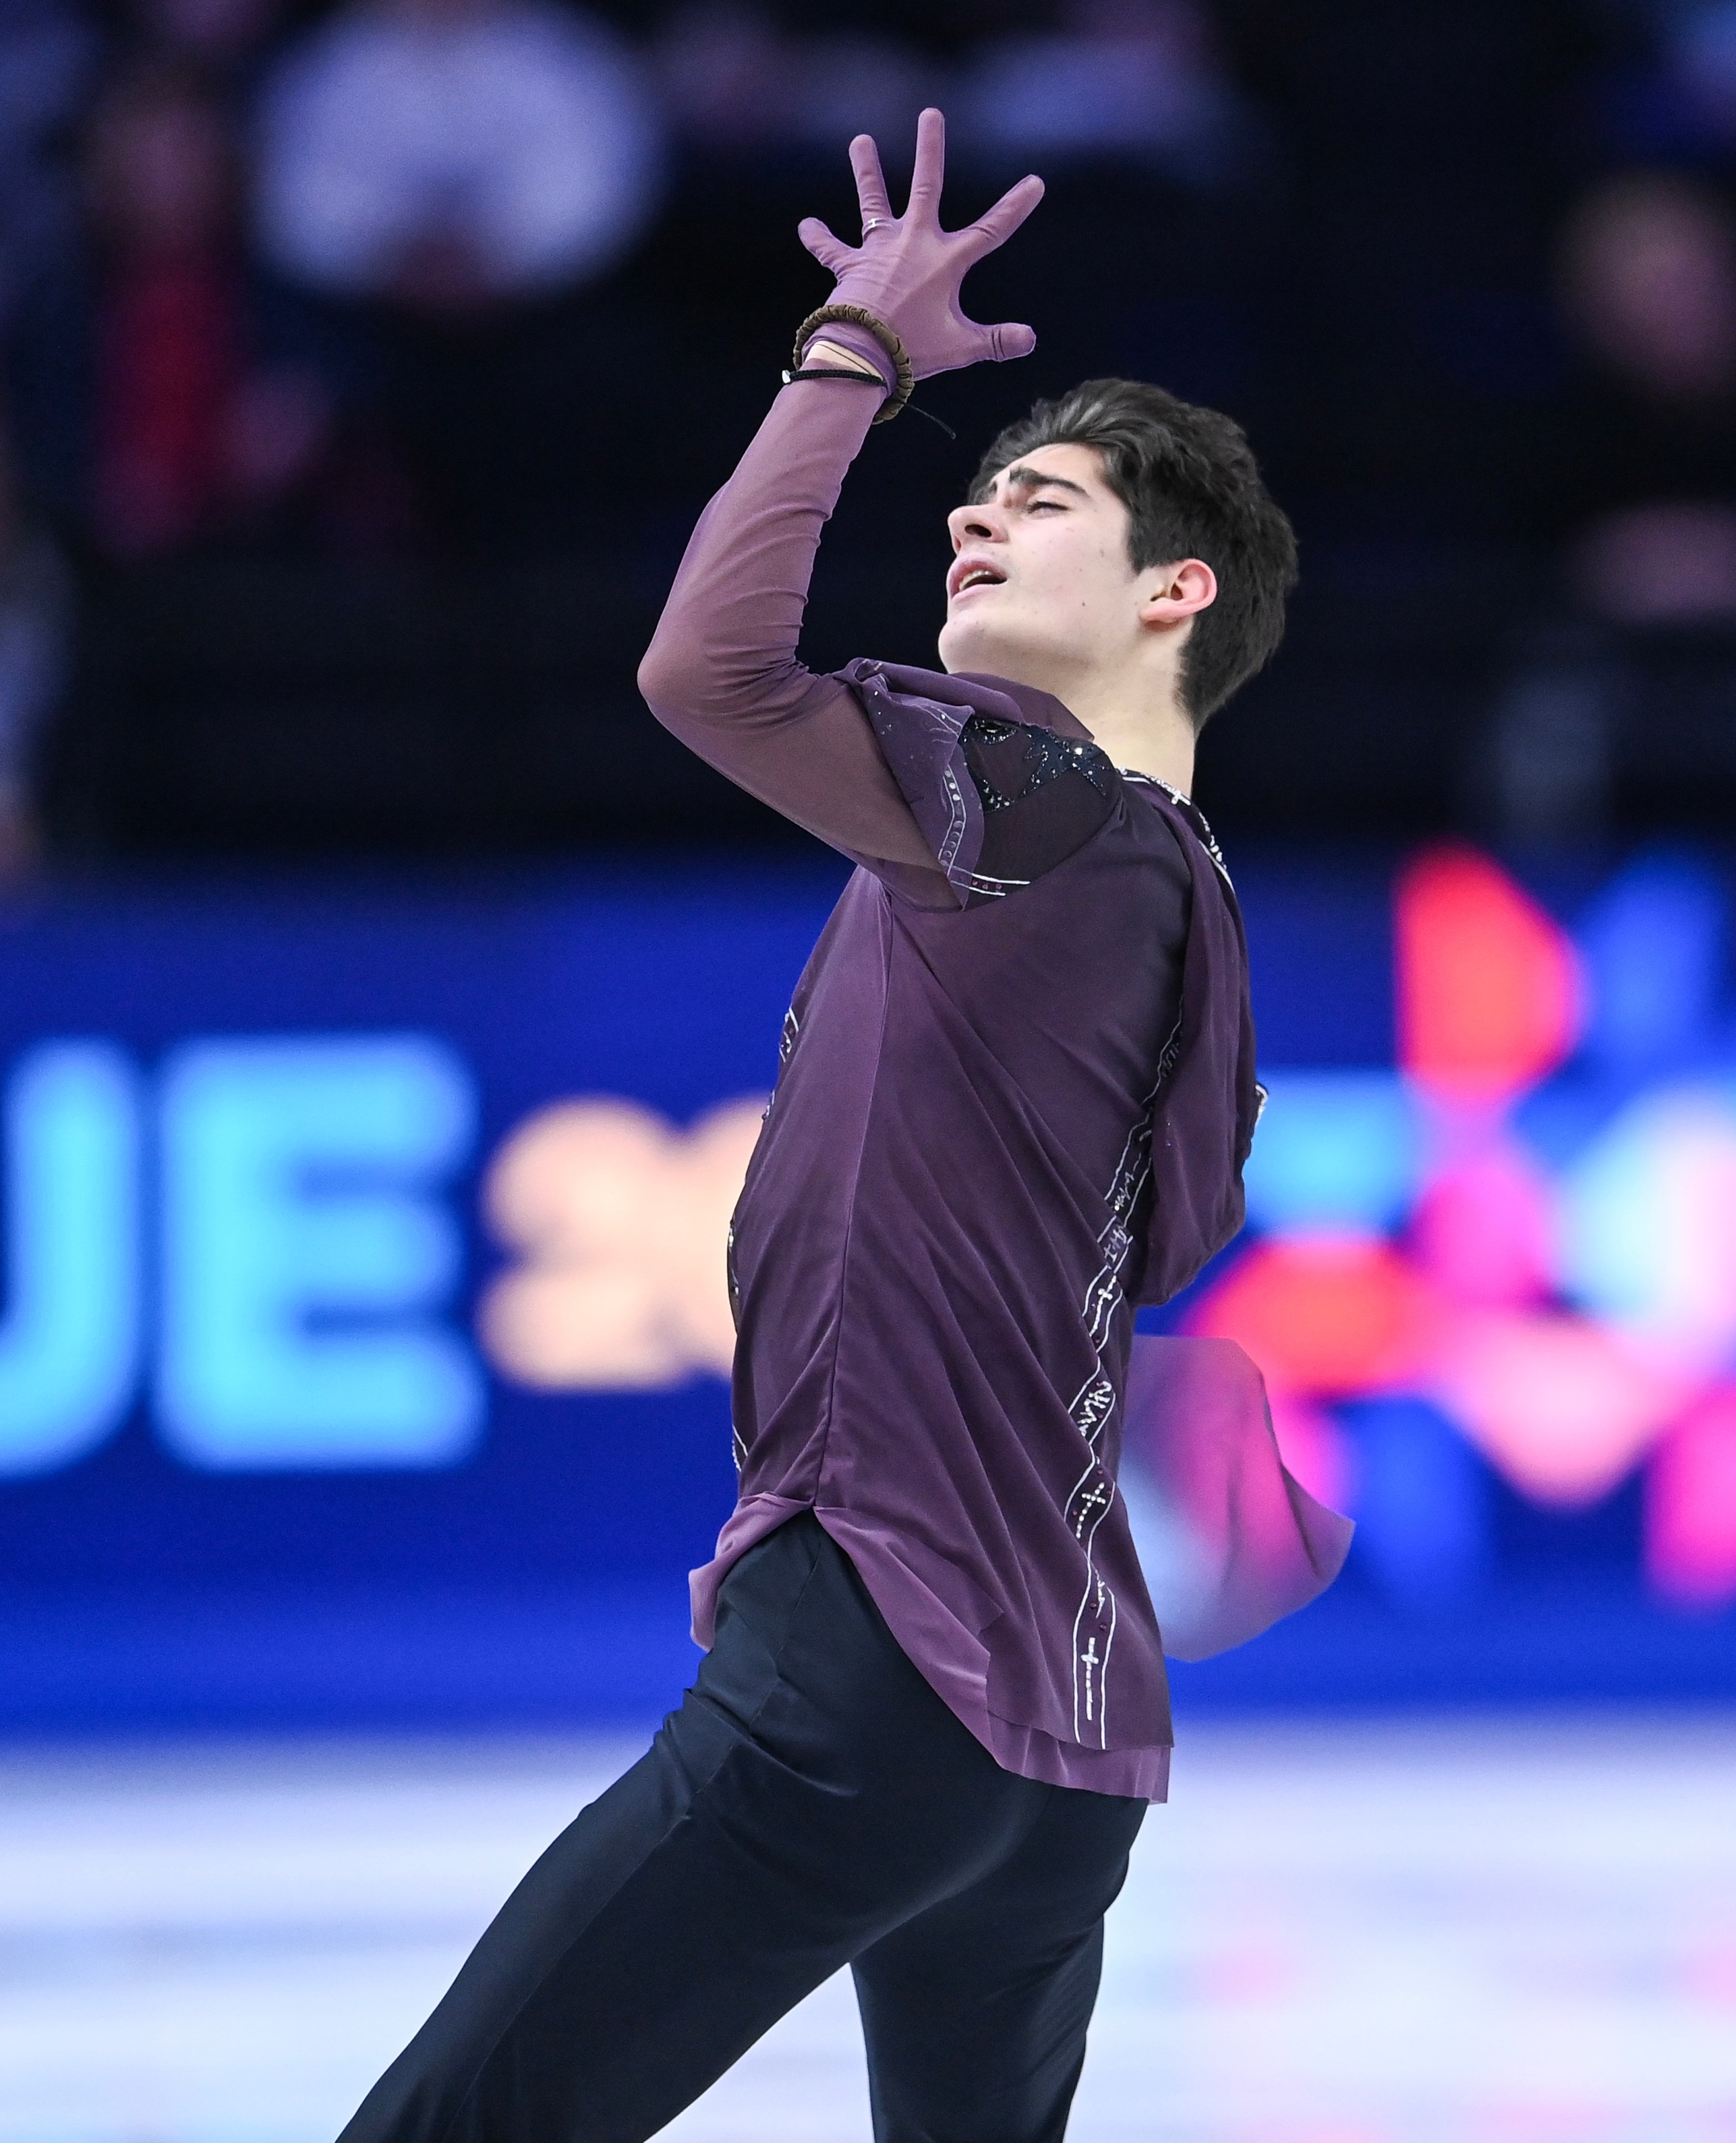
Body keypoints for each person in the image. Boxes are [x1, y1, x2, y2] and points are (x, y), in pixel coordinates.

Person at [338, 111, 1342, 2142]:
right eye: (975, 493)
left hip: (875, 1675)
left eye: (1040, 501)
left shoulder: (1028, 796)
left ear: (1177, 591)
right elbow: (1150, 1248)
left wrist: (851, 359)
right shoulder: (1186, 901)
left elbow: (706, 670)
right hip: (1065, 1747)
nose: (972, 518)